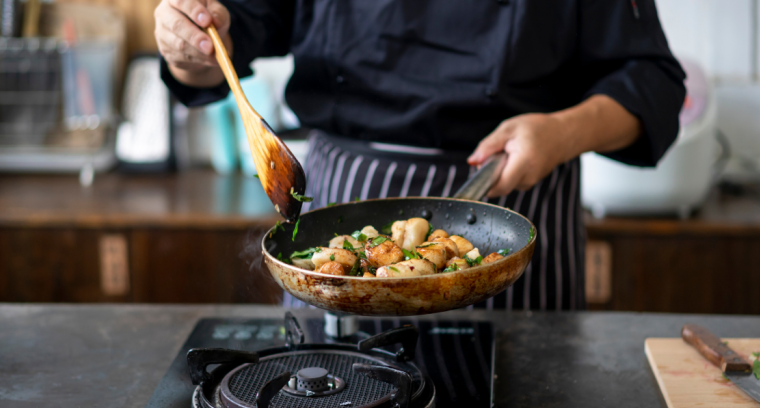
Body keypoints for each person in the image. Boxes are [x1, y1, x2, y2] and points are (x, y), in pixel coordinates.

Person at [155, 0, 685, 310]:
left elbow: (653, 84)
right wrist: (188, 46)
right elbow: (221, 41)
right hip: (343, 197)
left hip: (515, 202)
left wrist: (565, 132)